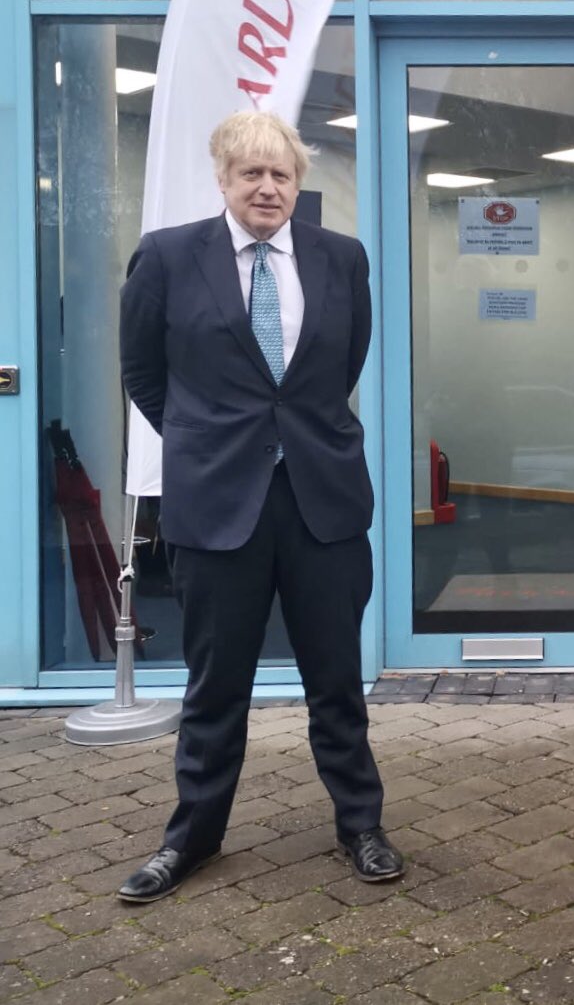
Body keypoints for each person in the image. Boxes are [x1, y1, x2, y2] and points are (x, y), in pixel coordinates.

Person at [116, 111, 401, 902]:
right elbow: (143, 373)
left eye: (281, 174)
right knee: (216, 686)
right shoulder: (168, 257)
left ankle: (361, 826)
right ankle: (192, 838)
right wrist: (210, 440)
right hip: (217, 505)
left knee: (336, 679)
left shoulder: (341, 258)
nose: (267, 187)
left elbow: (343, 364)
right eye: (251, 173)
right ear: (223, 179)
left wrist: (289, 436)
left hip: (322, 501)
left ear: (297, 183)